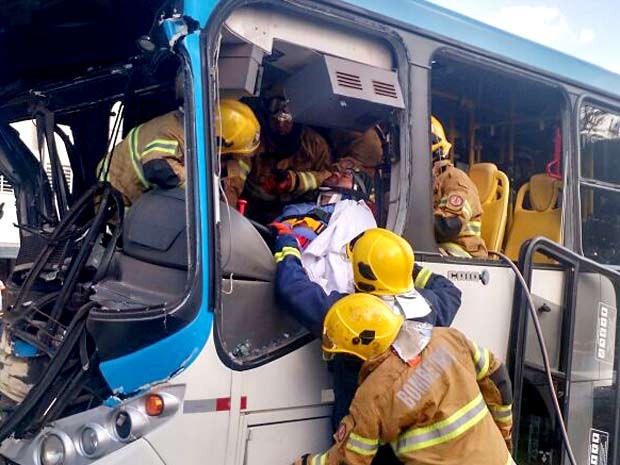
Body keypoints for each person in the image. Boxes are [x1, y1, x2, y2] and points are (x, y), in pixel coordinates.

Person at [273, 227, 461, 430]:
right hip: (407, 425)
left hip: (359, 429)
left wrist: (288, 244)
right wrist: (402, 266)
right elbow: (450, 290)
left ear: (362, 272)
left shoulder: (350, 314)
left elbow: (292, 288)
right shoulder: (429, 304)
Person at [294, 293, 514, 465]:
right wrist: (503, 434)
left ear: (358, 353)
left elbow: (348, 460)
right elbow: (499, 379)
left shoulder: (372, 397)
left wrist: (306, 462)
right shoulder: (448, 338)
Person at [98, 99, 260, 207]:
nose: (237, 159)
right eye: (232, 154)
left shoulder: (205, 137)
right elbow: (159, 169)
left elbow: (234, 177)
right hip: (118, 202)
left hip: (147, 201)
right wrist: (207, 196)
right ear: (219, 142)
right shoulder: (171, 131)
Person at [242, 95, 333, 221]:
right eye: (275, 112)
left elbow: (329, 177)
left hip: (294, 217)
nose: (280, 123)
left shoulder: (315, 145)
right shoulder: (253, 137)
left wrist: (294, 181)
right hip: (251, 213)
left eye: (287, 117)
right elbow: (234, 180)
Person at [431, 116, 488, 259]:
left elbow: (448, 226)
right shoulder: (429, 182)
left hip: (464, 256)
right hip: (441, 251)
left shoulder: (455, 180)